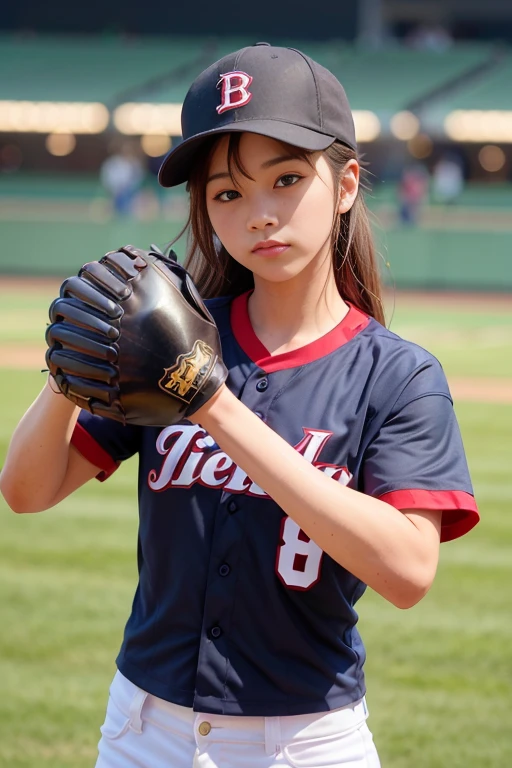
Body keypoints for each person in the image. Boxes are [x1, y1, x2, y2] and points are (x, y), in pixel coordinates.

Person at [0, 43, 479, 768]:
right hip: (144, 730)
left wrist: (213, 405)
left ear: (347, 183)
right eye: (227, 194)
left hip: (306, 742)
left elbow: (408, 571)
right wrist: (70, 372)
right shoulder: (171, 339)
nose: (260, 214)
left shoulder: (398, 375)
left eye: (287, 179)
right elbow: (27, 491)